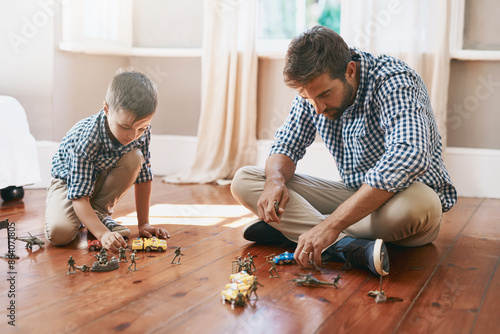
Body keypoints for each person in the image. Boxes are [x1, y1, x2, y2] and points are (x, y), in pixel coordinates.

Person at [231, 26, 457, 276]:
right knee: (245, 180)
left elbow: (408, 155)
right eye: (308, 99)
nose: (317, 108)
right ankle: (346, 246)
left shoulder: (394, 79)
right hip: (355, 196)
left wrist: (332, 224)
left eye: (325, 94)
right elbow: (286, 143)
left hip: (407, 199)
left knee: (415, 207)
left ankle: (299, 230)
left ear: (350, 71)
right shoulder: (313, 92)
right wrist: (274, 181)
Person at [44, 68, 170, 252]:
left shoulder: (140, 131)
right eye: (125, 126)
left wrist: (144, 224)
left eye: (141, 128)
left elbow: (143, 177)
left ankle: (97, 212)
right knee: (60, 234)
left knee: (136, 157)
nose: (133, 135)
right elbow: (79, 196)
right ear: (106, 109)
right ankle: (86, 217)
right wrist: (103, 234)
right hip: (68, 182)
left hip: (99, 178)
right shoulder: (87, 138)